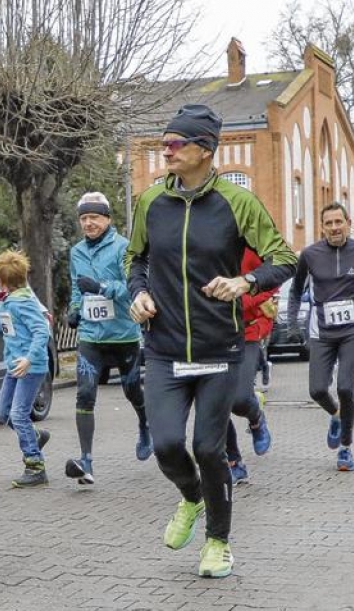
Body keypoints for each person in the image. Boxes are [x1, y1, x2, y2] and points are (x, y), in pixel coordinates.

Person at [126, 104, 296, 579]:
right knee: (165, 445)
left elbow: (283, 258)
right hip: (163, 348)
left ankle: (219, 542)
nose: (167, 151)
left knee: (207, 448)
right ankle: (191, 498)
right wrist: (137, 293)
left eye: (176, 144)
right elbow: (134, 259)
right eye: (165, 143)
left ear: (204, 150)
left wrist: (246, 283)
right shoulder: (151, 201)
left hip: (220, 349)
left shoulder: (236, 202)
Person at [288, 202, 354, 472]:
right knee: (317, 389)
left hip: (353, 329)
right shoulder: (309, 254)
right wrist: (294, 322)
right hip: (322, 330)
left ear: (348, 223)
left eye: (338, 222)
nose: (334, 227)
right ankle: (336, 415)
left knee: (345, 388)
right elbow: (296, 291)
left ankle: (345, 447)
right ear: (322, 227)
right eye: (329, 223)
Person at [64, 192, 151, 486]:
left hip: (123, 333)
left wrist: (101, 286)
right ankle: (85, 461)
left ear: (107, 219)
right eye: (84, 218)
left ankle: (145, 423)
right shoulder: (76, 252)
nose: (88, 223)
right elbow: (77, 289)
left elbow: (133, 288)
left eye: (94, 218)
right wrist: (75, 309)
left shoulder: (122, 247)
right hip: (91, 335)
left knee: (131, 391)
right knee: (85, 393)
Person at [0, 250, 52, 488]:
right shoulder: (8, 302)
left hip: (30, 367)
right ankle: (34, 437)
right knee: (3, 413)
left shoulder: (24, 303)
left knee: (18, 415)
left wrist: (29, 359)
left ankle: (35, 466)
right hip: (14, 366)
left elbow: (42, 331)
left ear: (0, 280)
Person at [224, 248, 279, 485]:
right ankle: (233, 461)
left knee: (238, 399)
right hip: (210, 334)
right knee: (213, 402)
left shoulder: (251, 246)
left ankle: (255, 416)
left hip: (247, 332)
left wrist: (240, 297)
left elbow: (272, 282)